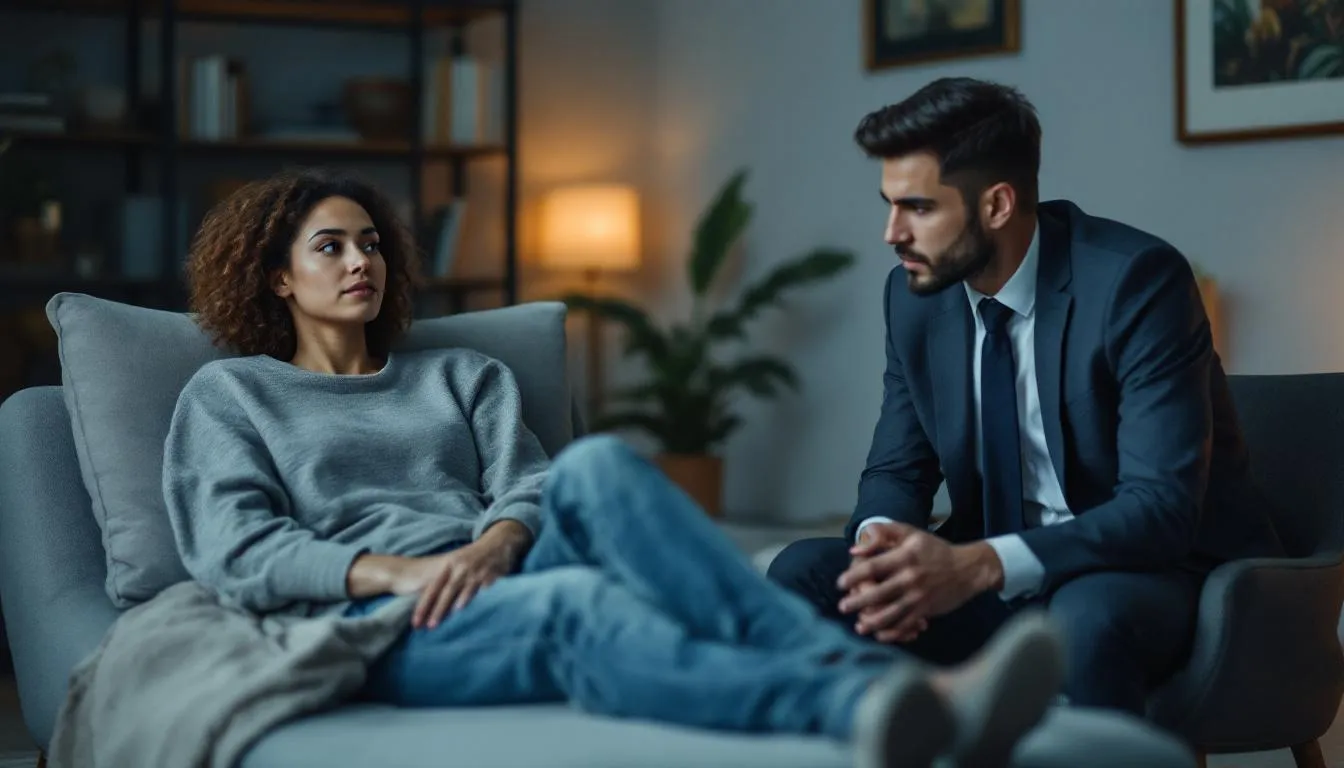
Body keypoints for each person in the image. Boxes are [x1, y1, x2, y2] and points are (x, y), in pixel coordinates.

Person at [161, 167, 1066, 768]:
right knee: (583, 606)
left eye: (370, 243)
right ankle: (876, 702)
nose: (361, 259)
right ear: (277, 277)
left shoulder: (462, 375)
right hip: (380, 619)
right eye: (331, 247)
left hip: (493, 569)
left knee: (594, 463)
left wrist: (491, 545)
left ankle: (885, 689)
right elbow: (235, 548)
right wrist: (403, 571)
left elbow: (530, 487)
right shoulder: (232, 397)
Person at [768, 77, 1286, 717]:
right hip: (992, 571)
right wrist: (882, 549)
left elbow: (1159, 510)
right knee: (805, 574)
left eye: (919, 208)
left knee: (1085, 615)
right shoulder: (913, 296)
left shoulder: (1135, 283)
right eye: (889, 205)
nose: (891, 233)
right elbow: (898, 467)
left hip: (1153, 572)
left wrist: (981, 564)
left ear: (997, 206)